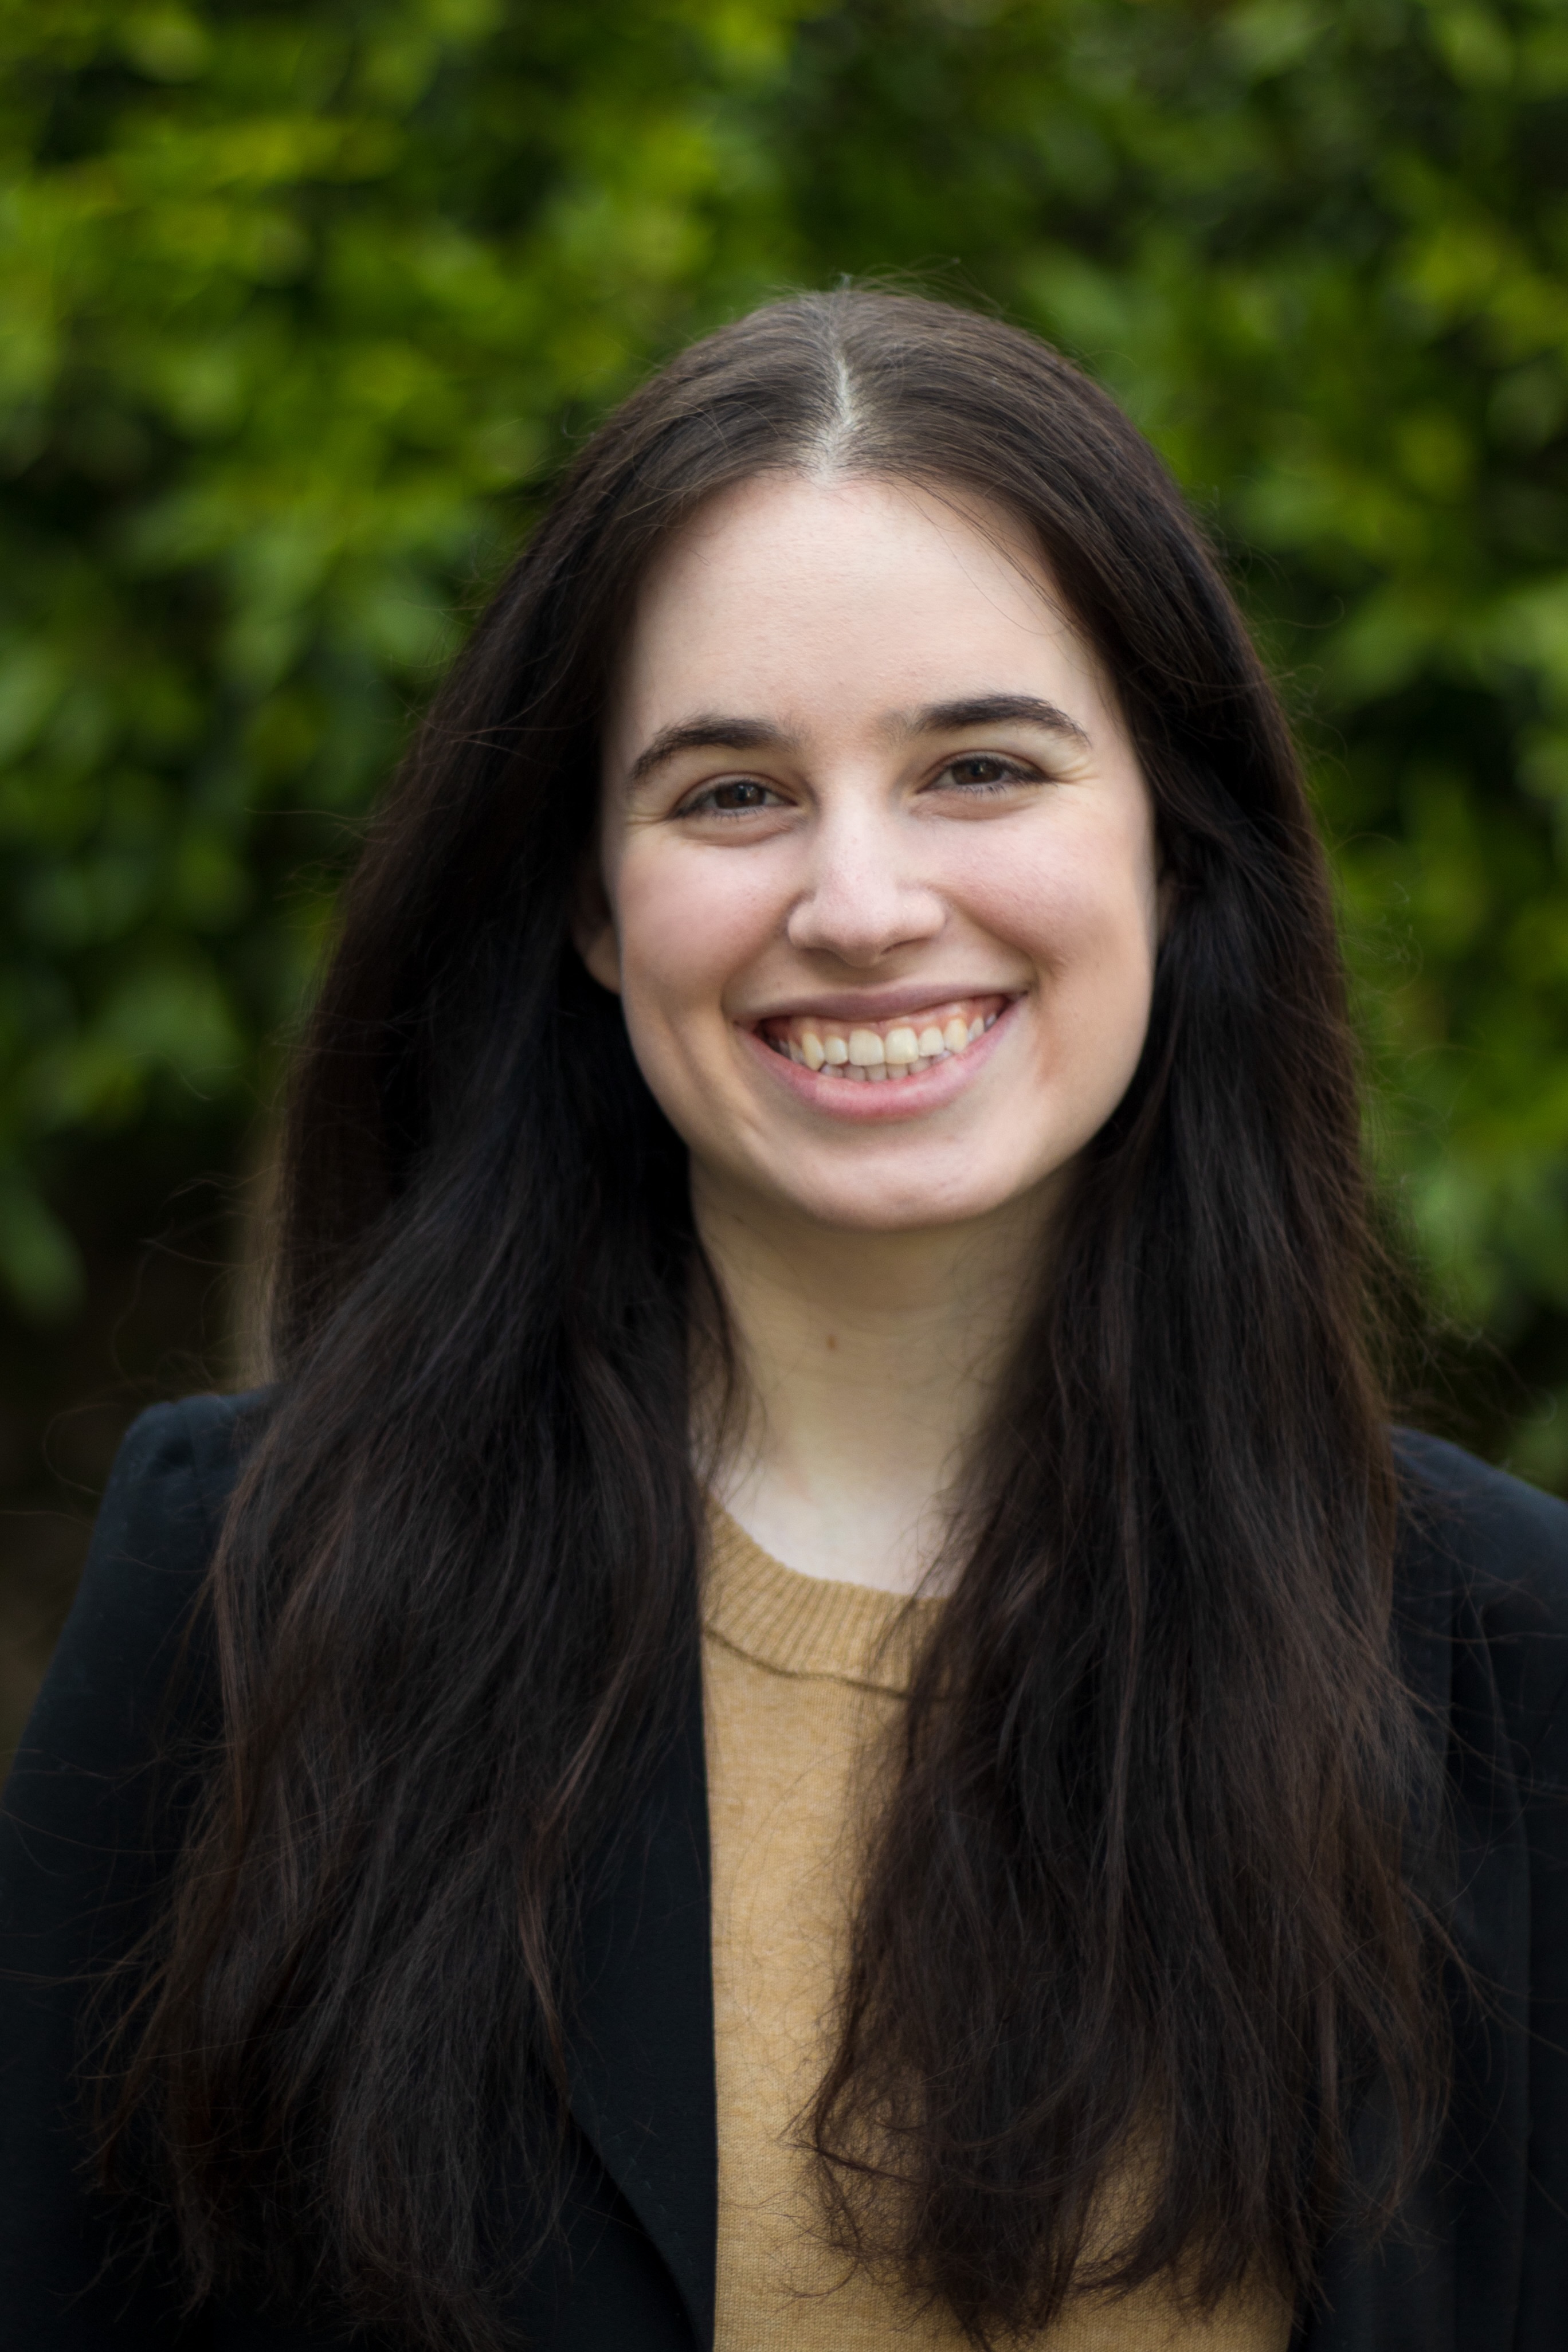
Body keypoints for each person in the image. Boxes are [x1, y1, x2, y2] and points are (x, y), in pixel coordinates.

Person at [2, 289, 1565, 2352]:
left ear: (1178, 855)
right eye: (731, 794)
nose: (858, 901)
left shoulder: (1510, 1663)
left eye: (980, 767)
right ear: (589, 899)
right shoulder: (248, 1596)